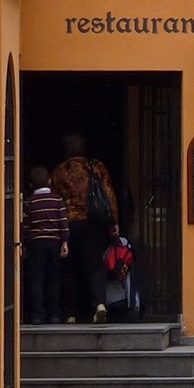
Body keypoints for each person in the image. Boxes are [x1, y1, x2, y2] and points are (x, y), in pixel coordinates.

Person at [51, 134, 119, 324]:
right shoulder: (95, 167)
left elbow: (55, 199)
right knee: (95, 266)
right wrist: (114, 220)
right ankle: (99, 305)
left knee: (69, 268)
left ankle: (71, 314)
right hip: (93, 222)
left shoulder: (59, 171)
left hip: (69, 222)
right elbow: (108, 193)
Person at [21, 166, 69, 325]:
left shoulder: (29, 202)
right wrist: (65, 241)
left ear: (30, 185)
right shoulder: (57, 200)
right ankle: (54, 314)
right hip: (54, 242)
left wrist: (25, 244)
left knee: (36, 279)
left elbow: (26, 226)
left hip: (36, 244)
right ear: (49, 181)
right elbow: (63, 223)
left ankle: (37, 315)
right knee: (54, 278)